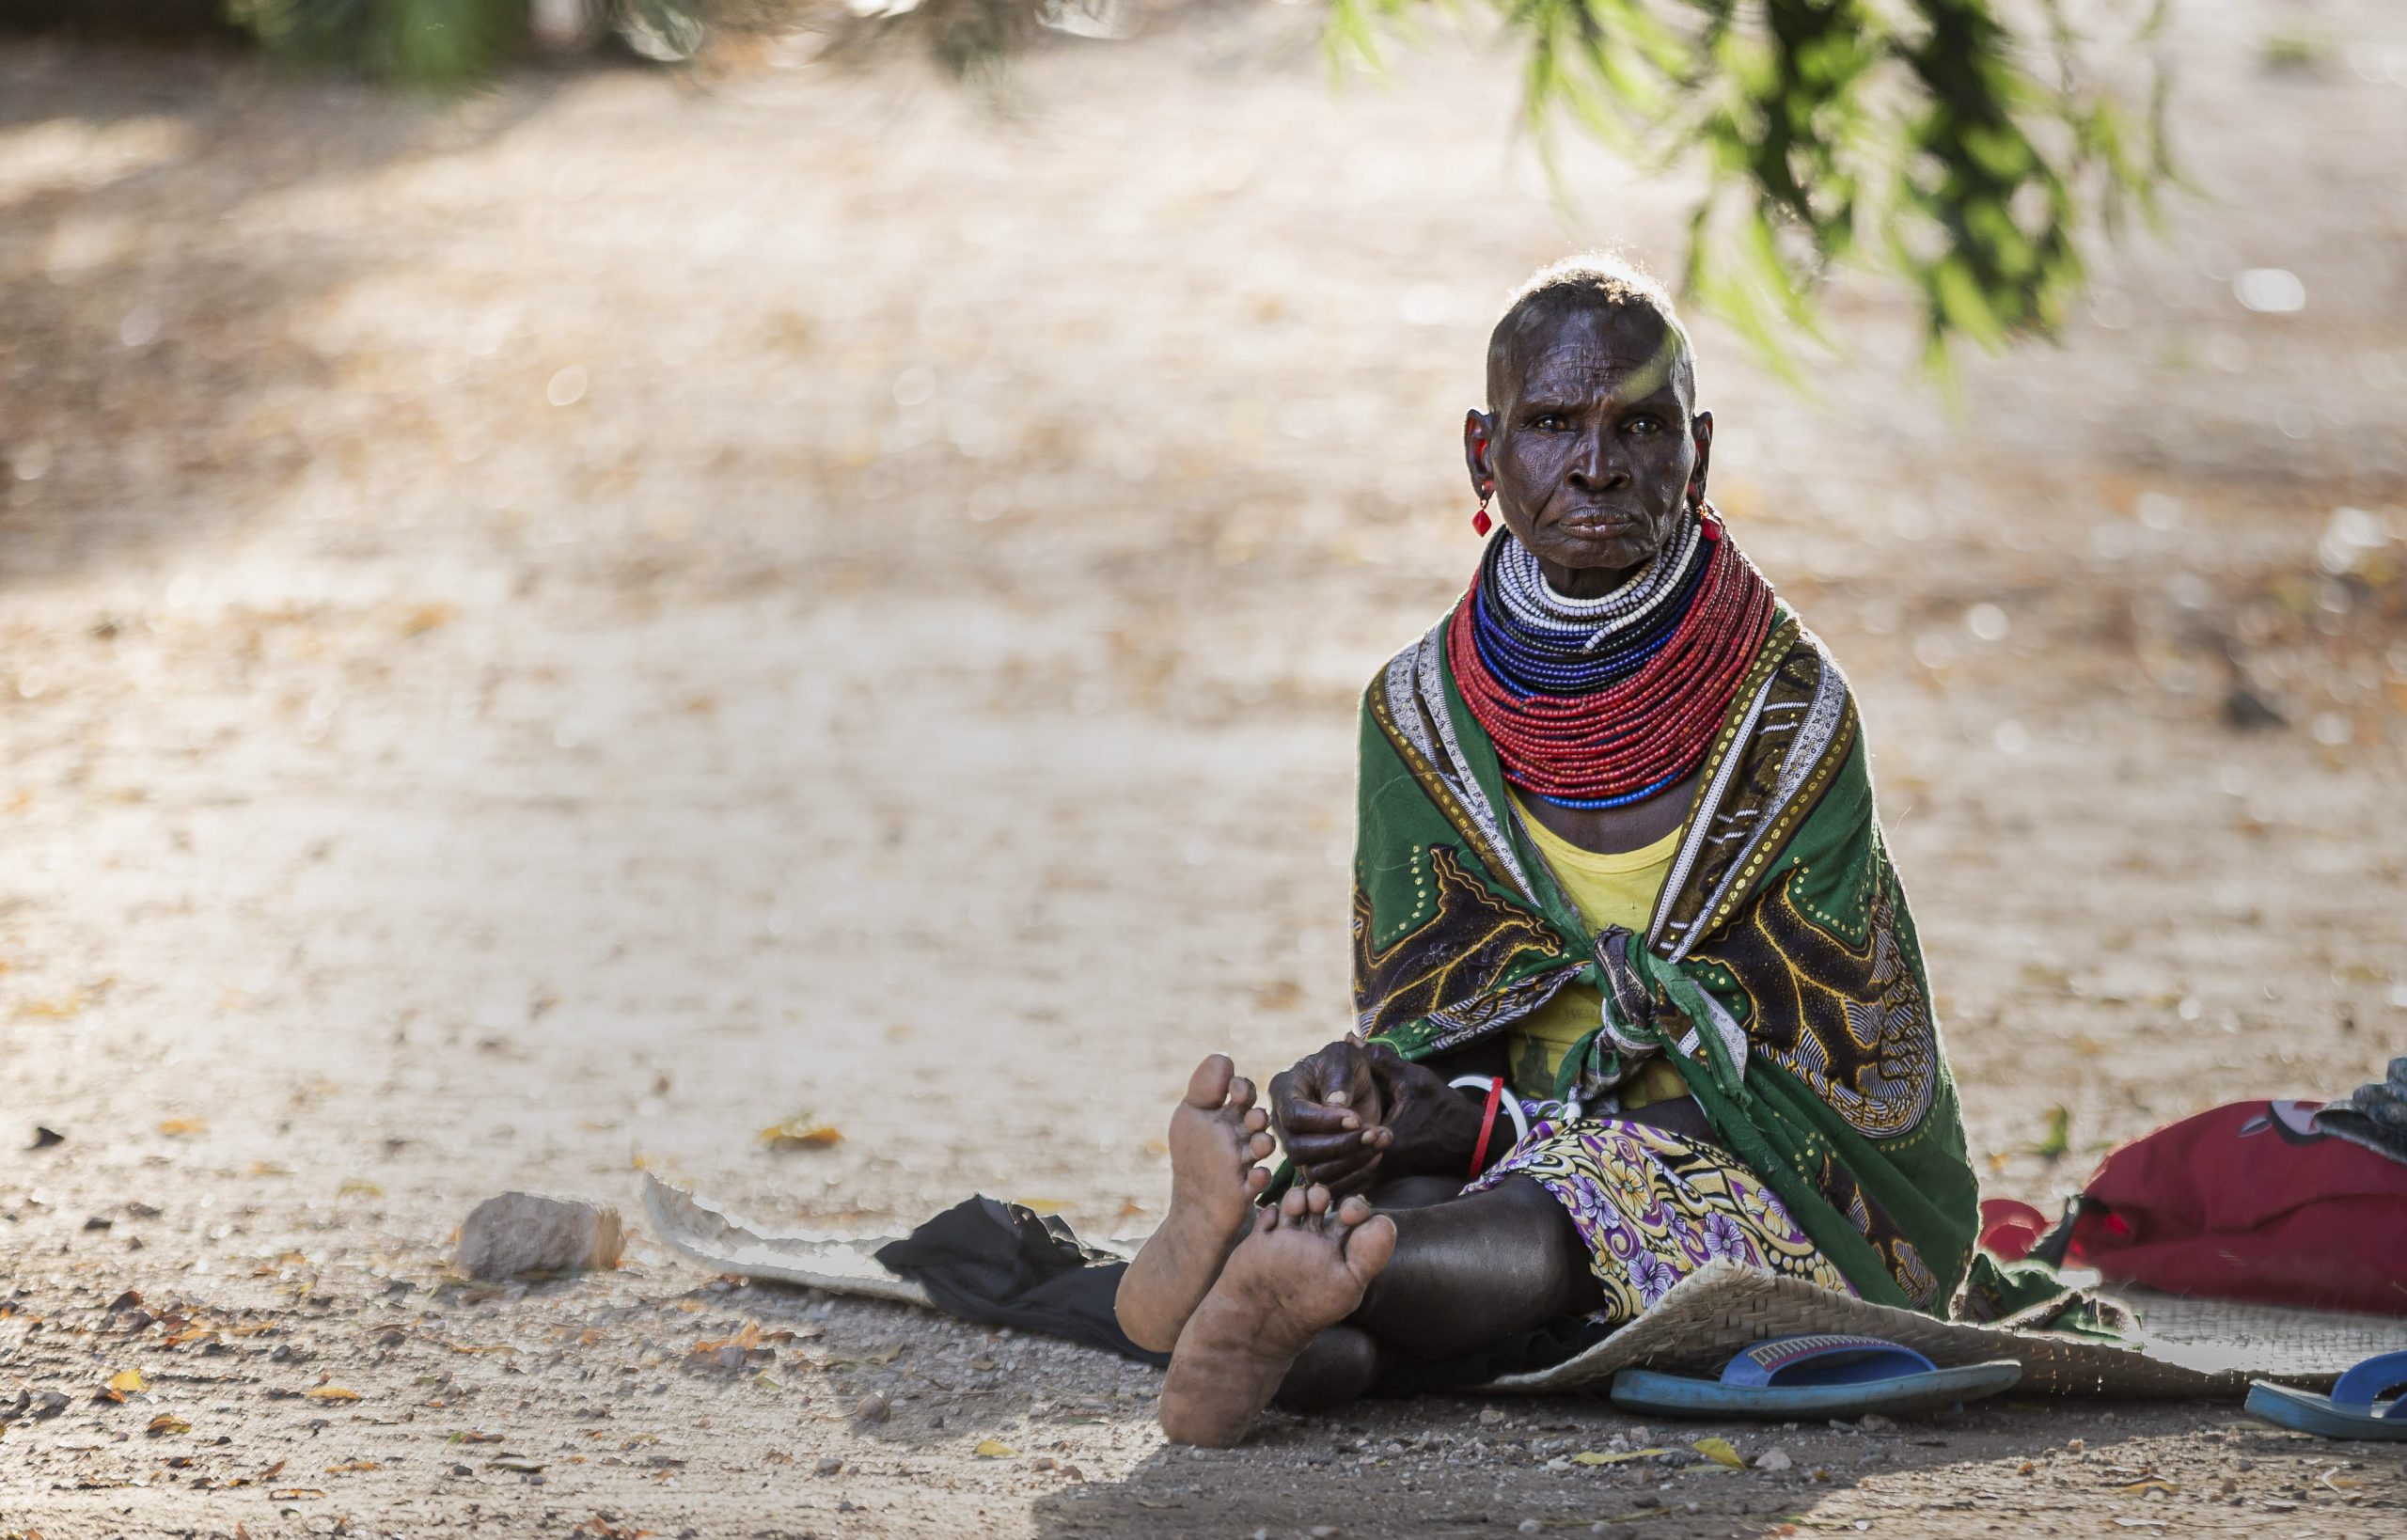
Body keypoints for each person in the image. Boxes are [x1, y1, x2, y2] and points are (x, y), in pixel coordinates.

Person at [1114, 256, 1978, 1447]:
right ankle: (1293, 1303)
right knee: (1408, 1192)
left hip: (1755, 1173)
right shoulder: (1417, 714)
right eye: (1551, 425)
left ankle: (1261, 1276)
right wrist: (1374, 1101)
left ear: (1700, 449)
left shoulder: (1789, 716)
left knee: (1553, 1214)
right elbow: (1436, 1014)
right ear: (1483, 454)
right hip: (1496, 1133)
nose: (1596, 464)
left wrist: (1505, 1135)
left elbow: (1815, 1074)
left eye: (1639, 424)